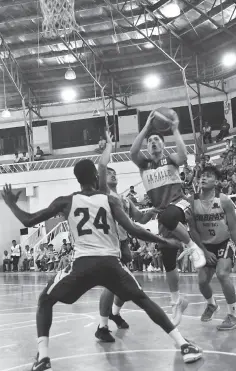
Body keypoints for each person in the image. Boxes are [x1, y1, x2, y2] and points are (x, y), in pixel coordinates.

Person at [2, 162, 203, 370]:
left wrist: (11, 204)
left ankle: (43, 357)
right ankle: (184, 344)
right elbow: (133, 229)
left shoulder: (65, 201)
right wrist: (165, 241)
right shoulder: (109, 200)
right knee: (143, 300)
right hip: (110, 264)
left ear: (77, 179)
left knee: (45, 301)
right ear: (96, 179)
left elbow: (28, 220)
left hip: (82, 264)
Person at [130, 109, 206, 327]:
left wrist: (174, 129)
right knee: (168, 261)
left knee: (170, 215)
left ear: (163, 145)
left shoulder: (170, 159)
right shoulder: (144, 164)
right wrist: (146, 127)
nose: (153, 142)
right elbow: (132, 153)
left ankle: (192, 247)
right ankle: (176, 301)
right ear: (147, 147)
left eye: (156, 140)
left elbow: (183, 157)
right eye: (150, 141)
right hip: (163, 214)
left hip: (179, 204)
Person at [96, 131, 157, 342]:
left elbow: (140, 218)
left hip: (122, 244)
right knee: (112, 285)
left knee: (122, 288)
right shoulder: (103, 193)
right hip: (107, 245)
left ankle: (114, 312)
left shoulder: (123, 198)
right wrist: (109, 146)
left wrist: (151, 211)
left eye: (114, 173)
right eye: (109, 173)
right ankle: (102, 326)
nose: (113, 175)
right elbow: (102, 167)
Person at [185, 166, 236, 329]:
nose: (203, 178)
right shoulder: (192, 201)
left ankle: (234, 316)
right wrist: (204, 251)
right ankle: (211, 304)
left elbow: (234, 229)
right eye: (201, 176)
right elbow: (192, 229)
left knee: (222, 274)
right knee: (202, 282)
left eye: (208, 176)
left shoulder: (224, 200)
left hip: (223, 242)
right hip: (204, 245)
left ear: (217, 182)